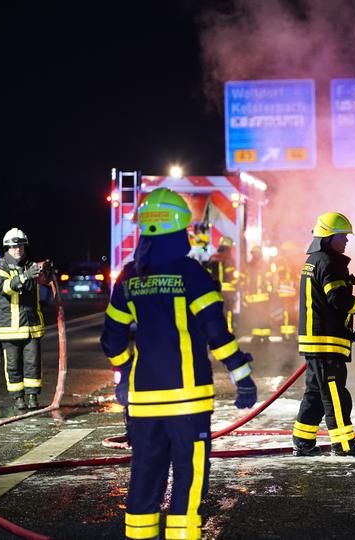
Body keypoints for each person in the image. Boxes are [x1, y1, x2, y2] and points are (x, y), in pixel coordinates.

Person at [101, 188, 257, 540]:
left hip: (142, 404)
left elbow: (111, 338)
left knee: (145, 477)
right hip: (187, 400)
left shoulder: (129, 277)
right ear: (180, 229)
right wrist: (242, 376)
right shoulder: (192, 274)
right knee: (188, 480)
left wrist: (126, 371)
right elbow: (216, 332)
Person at [292, 212, 355, 457]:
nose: (346, 240)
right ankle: (344, 445)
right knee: (336, 394)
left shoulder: (314, 260)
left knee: (316, 392)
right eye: (342, 236)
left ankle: (303, 442)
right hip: (326, 341)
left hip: (317, 339)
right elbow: (338, 298)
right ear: (328, 237)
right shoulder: (329, 262)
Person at [0, 228, 46, 411]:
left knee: (33, 363)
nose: (18, 249)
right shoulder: (1, 266)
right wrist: (24, 277)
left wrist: (46, 271)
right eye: (14, 246)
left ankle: (32, 397)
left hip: (31, 325)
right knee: (14, 365)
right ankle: (18, 398)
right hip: (11, 327)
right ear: (7, 248)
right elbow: (4, 288)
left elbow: (43, 283)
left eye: (21, 246)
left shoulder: (29, 265)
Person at [205, 237, 238, 332]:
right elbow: (232, 277)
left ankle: (215, 330)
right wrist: (237, 285)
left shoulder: (213, 258)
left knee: (216, 312)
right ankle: (228, 331)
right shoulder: (229, 260)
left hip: (215, 291)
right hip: (227, 292)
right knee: (227, 312)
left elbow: (207, 274)